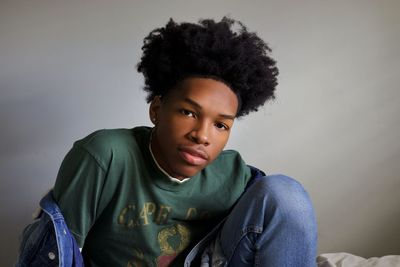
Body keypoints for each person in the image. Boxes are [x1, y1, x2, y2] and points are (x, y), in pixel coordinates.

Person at [17, 17, 317, 267]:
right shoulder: (105, 156)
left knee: (285, 192)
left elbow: (269, 232)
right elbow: (61, 252)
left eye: (221, 125)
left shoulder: (234, 175)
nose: (202, 135)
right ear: (157, 109)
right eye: (188, 112)